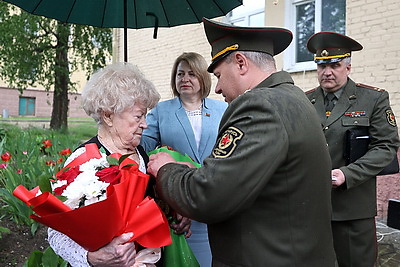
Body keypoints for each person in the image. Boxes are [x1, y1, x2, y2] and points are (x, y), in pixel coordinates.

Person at [147, 18, 336, 266]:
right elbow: (262, 176)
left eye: (219, 75)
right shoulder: (293, 97)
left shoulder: (258, 107)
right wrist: (201, 172)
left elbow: (208, 197)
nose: (217, 88)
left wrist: (165, 169)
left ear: (240, 63)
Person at [47, 62, 190, 266]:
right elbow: (56, 233)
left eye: (145, 115)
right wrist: (91, 259)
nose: (145, 124)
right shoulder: (84, 159)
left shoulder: (144, 155)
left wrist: (175, 211)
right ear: (108, 116)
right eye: (138, 116)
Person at [305, 31, 400, 267]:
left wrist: (347, 174)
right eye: (321, 65)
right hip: (311, 207)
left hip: (352, 207)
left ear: (348, 67)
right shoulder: (304, 100)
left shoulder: (372, 99)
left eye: (335, 65)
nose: (327, 72)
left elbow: (386, 147)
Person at [140, 52, 227, 267]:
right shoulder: (161, 111)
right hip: (177, 204)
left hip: (213, 201)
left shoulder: (223, 109)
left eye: (191, 74)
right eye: (180, 74)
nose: (185, 79)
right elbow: (143, 149)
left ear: (202, 78)